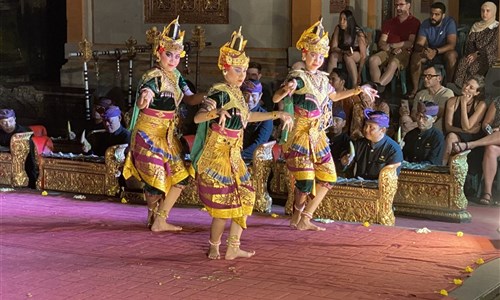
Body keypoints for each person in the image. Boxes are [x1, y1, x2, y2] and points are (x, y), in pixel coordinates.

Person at [191, 27, 292, 260]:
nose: (242, 75)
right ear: (225, 69)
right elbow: (198, 117)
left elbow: (247, 117)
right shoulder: (220, 92)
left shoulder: (238, 93)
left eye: (244, 70)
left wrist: (277, 115)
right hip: (218, 154)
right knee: (223, 206)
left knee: (246, 198)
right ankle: (214, 245)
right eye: (237, 70)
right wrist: (217, 111)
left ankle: (233, 246)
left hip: (235, 155)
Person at [272, 19, 378, 231]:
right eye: (313, 55)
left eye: (321, 56)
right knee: (305, 180)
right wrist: (287, 89)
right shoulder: (298, 77)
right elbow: (276, 98)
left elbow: (336, 95)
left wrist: (359, 90)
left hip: (318, 134)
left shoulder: (322, 79)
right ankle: (297, 217)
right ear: (304, 55)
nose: (317, 60)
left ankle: (306, 216)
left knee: (329, 176)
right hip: (300, 133)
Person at [123, 18, 206, 232]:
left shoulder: (177, 77)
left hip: (167, 135)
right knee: (156, 181)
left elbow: (189, 99)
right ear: (158, 53)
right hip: (148, 133)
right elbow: (146, 93)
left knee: (182, 178)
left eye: (177, 56)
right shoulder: (153, 76)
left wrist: (210, 95)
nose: (173, 59)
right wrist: (145, 97)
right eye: (169, 54)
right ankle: (153, 216)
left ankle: (160, 218)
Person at [452, 96, 500, 205]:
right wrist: (491, 130)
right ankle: (487, 192)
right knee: (491, 149)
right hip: (494, 139)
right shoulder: (498, 101)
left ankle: (470, 145)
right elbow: (486, 124)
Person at [407, 2, 458, 99]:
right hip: (429, 51)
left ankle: (449, 87)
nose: (433, 17)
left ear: (443, 16)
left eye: (437, 14)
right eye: (431, 14)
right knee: (415, 56)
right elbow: (419, 44)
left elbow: (452, 44)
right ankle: (415, 89)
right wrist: (426, 50)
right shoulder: (426, 24)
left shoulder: (449, 22)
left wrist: (436, 51)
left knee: (452, 55)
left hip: (443, 52)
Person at [368, 0, 420, 92]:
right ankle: (378, 88)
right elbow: (382, 41)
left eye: (401, 5)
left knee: (393, 63)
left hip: (404, 51)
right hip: (388, 49)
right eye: (396, 5)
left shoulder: (414, 22)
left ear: (408, 5)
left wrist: (393, 46)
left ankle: (377, 89)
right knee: (373, 60)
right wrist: (389, 47)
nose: (398, 8)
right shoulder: (389, 22)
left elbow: (409, 43)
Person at [341, 110, 403, 179]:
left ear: (382, 130)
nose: (366, 130)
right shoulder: (359, 144)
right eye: (366, 126)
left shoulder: (393, 150)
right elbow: (347, 165)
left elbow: (391, 179)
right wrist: (345, 162)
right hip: (358, 185)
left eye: (371, 127)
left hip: (379, 188)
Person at [451, 2, 498, 92]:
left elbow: (492, 46)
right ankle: (459, 88)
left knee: (474, 67)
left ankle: (471, 90)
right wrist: (471, 55)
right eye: (482, 11)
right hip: (473, 54)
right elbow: (470, 43)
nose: (484, 13)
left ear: (493, 12)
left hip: (488, 56)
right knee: (464, 61)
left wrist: (477, 54)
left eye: (488, 11)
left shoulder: (496, 27)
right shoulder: (476, 26)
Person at [442, 75, 487, 165]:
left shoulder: (481, 105)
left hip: (472, 138)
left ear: (476, 93)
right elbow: (448, 127)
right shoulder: (452, 102)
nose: (466, 88)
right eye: (466, 84)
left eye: (471, 87)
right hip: (456, 133)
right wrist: (466, 130)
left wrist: (463, 103)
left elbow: (466, 126)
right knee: (451, 137)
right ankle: (442, 167)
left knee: (452, 138)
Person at [400, 65, 454, 134]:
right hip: (419, 125)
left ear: (439, 78)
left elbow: (437, 115)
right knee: (404, 118)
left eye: (429, 76)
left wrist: (414, 124)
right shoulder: (420, 94)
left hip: (435, 128)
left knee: (408, 126)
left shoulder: (447, 93)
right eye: (424, 76)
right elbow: (414, 114)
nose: (425, 79)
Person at [326, 9, 367, 87]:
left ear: (349, 21)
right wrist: (344, 51)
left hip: (357, 53)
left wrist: (359, 72)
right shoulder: (338, 28)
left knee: (348, 57)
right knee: (333, 56)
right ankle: (329, 82)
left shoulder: (357, 32)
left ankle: (355, 85)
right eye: (340, 19)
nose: (342, 22)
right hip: (343, 52)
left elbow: (363, 55)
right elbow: (333, 47)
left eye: (344, 19)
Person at [0, 108, 38, 188]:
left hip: (23, 165)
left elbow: (31, 158)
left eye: (10, 121)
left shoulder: (24, 132)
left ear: (15, 120)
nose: (8, 125)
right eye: (4, 122)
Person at [240, 79, 273, 161]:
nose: (250, 100)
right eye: (246, 95)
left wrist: (238, 156)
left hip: (251, 158)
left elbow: (259, 144)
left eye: (254, 96)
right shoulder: (235, 112)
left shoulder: (265, 117)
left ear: (260, 96)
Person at [329, 68, 355, 133]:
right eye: (329, 79)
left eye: (333, 79)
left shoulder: (353, 98)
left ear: (342, 82)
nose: (329, 81)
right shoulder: (325, 95)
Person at [327, 107, 351, 175]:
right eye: (331, 120)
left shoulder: (348, 142)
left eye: (337, 120)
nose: (333, 124)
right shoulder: (322, 137)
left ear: (344, 123)